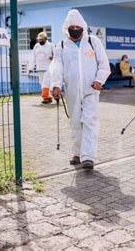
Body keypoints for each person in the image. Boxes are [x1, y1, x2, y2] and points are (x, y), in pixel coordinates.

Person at [50, 9, 111, 170]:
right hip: (72, 91)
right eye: (72, 26)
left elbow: (104, 64)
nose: (75, 29)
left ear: (83, 27)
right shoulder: (61, 46)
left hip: (91, 90)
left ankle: (88, 157)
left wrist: (99, 80)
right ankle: (77, 153)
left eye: (78, 26)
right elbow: (57, 67)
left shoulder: (93, 41)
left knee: (90, 121)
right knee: (76, 122)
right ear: (66, 27)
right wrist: (55, 85)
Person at [28, 31, 54, 104]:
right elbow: (33, 57)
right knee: (42, 83)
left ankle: (46, 97)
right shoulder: (36, 46)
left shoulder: (50, 45)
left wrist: (53, 57)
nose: (40, 41)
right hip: (39, 68)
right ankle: (49, 97)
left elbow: (56, 56)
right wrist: (31, 68)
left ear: (45, 39)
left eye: (41, 39)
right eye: (39, 39)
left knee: (46, 83)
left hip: (48, 68)